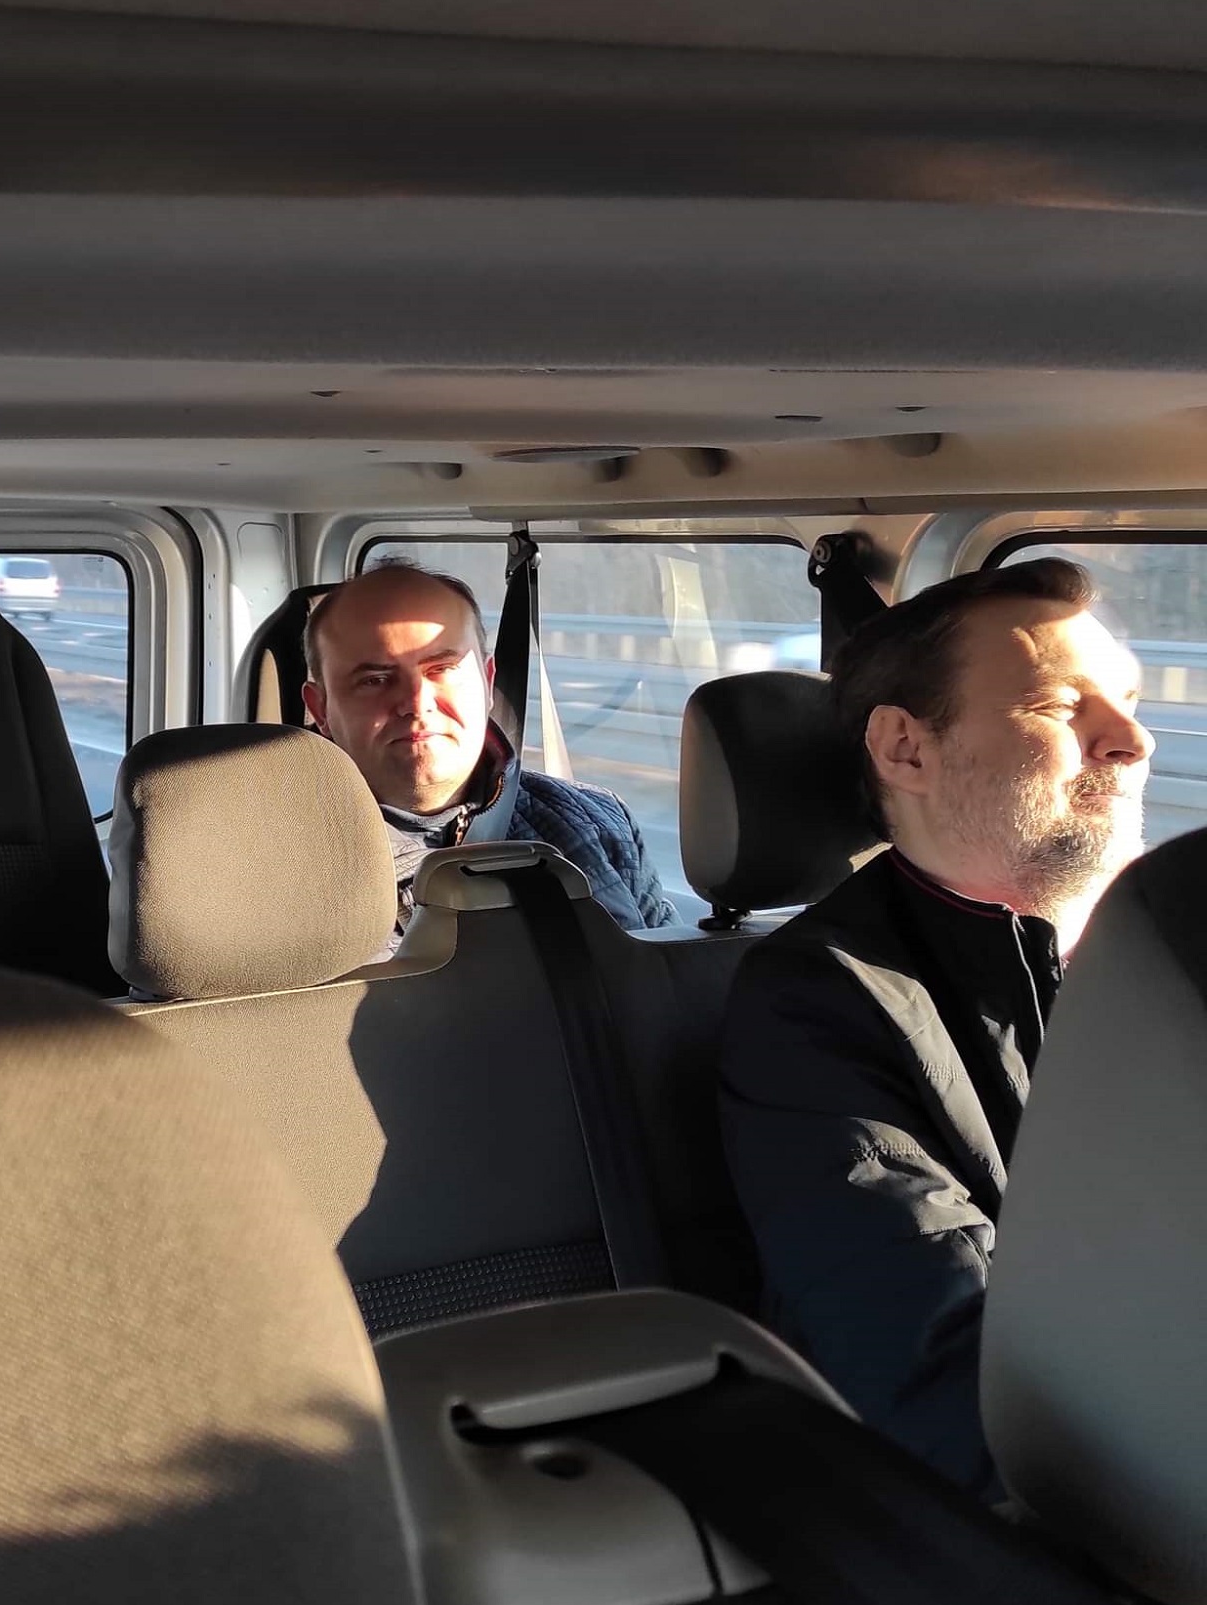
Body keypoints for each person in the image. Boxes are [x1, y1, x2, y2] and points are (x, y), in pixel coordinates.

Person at [719, 558, 1151, 1493]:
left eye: (1126, 702)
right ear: (905, 749)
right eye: (1057, 707)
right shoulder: (819, 1001)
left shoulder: (1166, 957)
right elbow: (947, 1367)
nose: (1131, 740)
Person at [300, 561, 675, 935]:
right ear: (321, 710)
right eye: (376, 680)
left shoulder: (599, 822)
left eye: (442, 669)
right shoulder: (284, 871)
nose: (416, 703)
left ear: (487, 681)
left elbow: (671, 967)